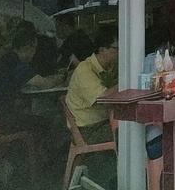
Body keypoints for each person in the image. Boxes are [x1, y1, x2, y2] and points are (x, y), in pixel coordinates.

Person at [65, 28, 163, 189]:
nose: (119, 53)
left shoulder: (110, 67)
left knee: (144, 129)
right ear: (102, 49)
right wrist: (126, 81)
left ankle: (146, 176)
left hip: (105, 121)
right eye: (116, 49)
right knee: (135, 132)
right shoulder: (84, 70)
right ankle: (137, 180)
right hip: (88, 129)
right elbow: (102, 98)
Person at [0, 23, 65, 131]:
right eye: (34, 48)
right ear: (27, 48)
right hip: (3, 121)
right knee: (50, 122)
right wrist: (61, 77)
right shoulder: (17, 64)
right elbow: (45, 84)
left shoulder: (0, 62)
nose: (35, 53)